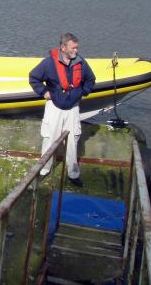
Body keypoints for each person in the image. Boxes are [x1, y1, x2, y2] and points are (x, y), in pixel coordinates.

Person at [29, 33, 96, 187]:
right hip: (54, 107)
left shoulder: (80, 62)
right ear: (63, 47)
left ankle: (73, 173)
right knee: (49, 139)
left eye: (77, 47)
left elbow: (91, 80)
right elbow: (34, 77)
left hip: (72, 108)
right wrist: (44, 92)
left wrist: (81, 92)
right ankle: (44, 170)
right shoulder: (48, 63)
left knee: (73, 140)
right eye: (73, 48)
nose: (76, 50)